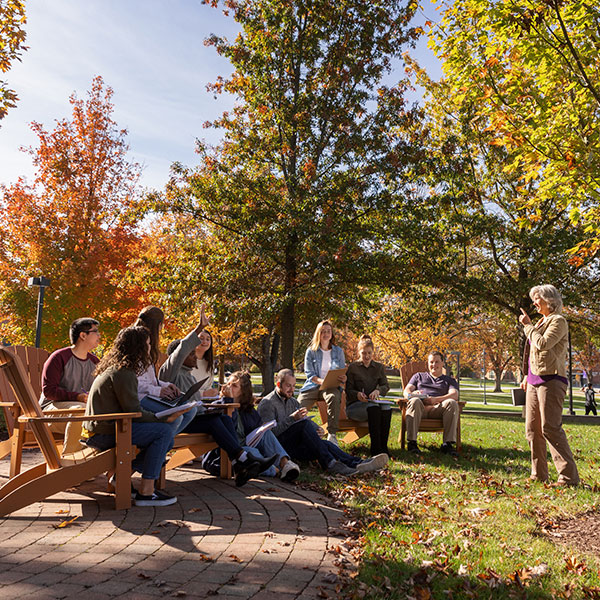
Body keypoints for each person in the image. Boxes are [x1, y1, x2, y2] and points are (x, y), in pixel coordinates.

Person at [84, 326, 191, 507]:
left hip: (107, 427)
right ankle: (146, 493)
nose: (150, 348)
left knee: (167, 439)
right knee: (164, 433)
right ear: (139, 347)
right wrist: (164, 418)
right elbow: (133, 411)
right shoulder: (124, 373)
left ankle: (122, 477)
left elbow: (131, 410)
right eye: (148, 344)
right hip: (105, 433)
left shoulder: (119, 368)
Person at [158, 326, 279, 486]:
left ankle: (238, 464)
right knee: (215, 421)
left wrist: (207, 407)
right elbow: (179, 353)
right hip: (179, 421)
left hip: (194, 416)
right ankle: (242, 460)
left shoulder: (189, 376)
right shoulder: (170, 372)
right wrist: (199, 327)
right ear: (179, 357)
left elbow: (196, 404)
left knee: (224, 418)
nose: (196, 357)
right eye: (192, 353)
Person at [258, 369, 388, 476]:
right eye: (288, 386)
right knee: (303, 426)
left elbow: (305, 419)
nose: (291, 390)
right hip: (281, 450)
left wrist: (317, 429)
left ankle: (358, 463)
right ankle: (330, 464)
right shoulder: (268, 403)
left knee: (324, 443)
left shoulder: (292, 401)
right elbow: (268, 436)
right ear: (279, 384)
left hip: (295, 446)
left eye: (293, 386)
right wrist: (292, 419)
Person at [519, 284, 580, 485]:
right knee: (532, 429)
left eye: (538, 299)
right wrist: (527, 376)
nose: (534, 302)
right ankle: (538, 475)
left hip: (552, 380)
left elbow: (543, 344)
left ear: (549, 301)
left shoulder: (558, 321)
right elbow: (533, 354)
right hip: (534, 380)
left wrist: (527, 326)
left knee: (550, 428)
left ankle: (568, 477)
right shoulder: (540, 322)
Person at [213, 371, 300, 482]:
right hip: (229, 451)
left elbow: (256, 431)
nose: (228, 387)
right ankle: (275, 470)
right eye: (228, 384)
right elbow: (230, 428)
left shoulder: (247, 410)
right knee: (253, 454)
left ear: (243, 392)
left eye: (234, 385)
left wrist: (261, 429)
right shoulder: (218, 405)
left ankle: (285, 464)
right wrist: (229, 401)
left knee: (266, 434)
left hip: (247, 445)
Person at [40, 317, 101, 454]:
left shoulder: (95, 362)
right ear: (83, 335)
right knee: (82, 411)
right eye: (95, 331)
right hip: (50, 411)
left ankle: (92, 463)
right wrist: (77, 397)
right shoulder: (59, 357)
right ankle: (69, 461)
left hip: (81, 412)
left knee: (101, 415)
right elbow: (49, 391)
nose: (99, 335)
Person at [133, 306, 196, 434]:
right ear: (158, 325)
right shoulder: (136, 345)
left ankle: (163, 443)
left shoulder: (148, 347)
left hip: (150, 394)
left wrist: (167, 385)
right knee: (175, 418)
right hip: (139, 398)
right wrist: (159, 391)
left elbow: (151, 379)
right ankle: (158, 443)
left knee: (190, 410)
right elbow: (134, 384)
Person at [297, 320, 346, 446]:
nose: (326, 334)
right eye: (323, 331)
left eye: (328, 331)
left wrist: (343, 378)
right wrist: (321, 381)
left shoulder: (338, 351)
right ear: (318, 333)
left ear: (331, 334)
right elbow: (310, 374)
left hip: (330, 387)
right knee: (297, 405)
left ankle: (332, 435)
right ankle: (300, 433)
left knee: (333, 398)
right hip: (313, 386)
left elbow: (341, 371)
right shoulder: (311, 351)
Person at [401, 351, 459, 456]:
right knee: (414, 401)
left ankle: (447, 444)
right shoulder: (418, 376)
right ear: (427, 364)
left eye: (437, 362)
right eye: (431, 362)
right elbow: (406, 392)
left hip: (438, 410)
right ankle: (412, 443)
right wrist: (413, 393)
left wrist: (436, 399)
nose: (434, 365)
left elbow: (454, 395)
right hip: (420, 409)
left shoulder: (449, 380)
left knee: (452, 402)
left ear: (442, 363)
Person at [346, 336, 392, 456]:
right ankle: (376, 449)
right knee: (375, 409)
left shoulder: (379, 367)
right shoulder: (353, 368)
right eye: (363, 353)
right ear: (359, 352)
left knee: (386, 408)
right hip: (355, 406)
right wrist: (357, 394)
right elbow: (348, 390)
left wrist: (378, 391)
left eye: (369, 353)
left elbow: (385, 386)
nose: (366, 356)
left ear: (373, 352)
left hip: (373, 403)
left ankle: (384, 447)